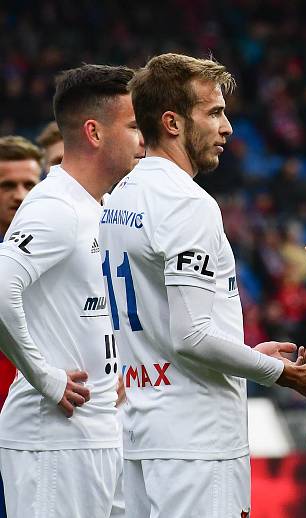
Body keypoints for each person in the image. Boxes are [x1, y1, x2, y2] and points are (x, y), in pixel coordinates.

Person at [102, 53, 306, 518]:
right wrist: (286, 375)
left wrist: (247, 353)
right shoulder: (187, 204)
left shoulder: (121, 197)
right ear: (172, 122)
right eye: (213, 113)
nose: (227, 127)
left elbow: (169, 321)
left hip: (143, 432)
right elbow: (190, 335)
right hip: (196, 441)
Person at [0, 64, 144, 518]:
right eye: (135, 126)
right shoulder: (54, 207)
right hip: (54, 443)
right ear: (94, 132)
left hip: (98, 432)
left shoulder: (94, 207)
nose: (144, 140)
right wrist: (45, 376)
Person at [0, 135, 42, 518]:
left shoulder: (55, 253)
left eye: (30, 184)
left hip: (39, 430)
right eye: (7, 185)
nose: (19, 195)